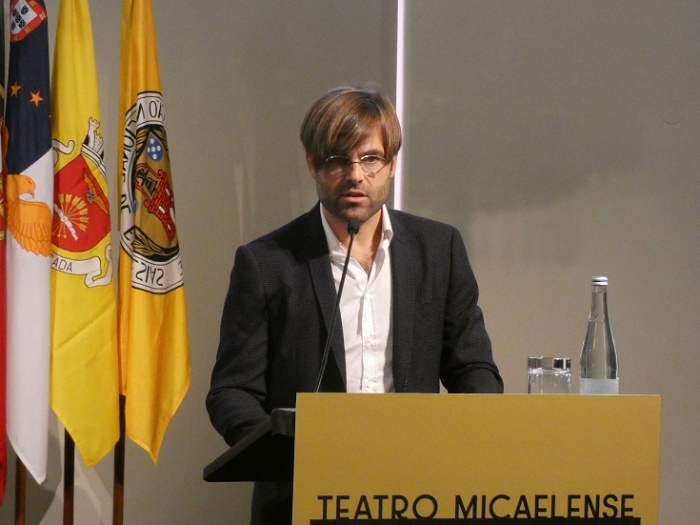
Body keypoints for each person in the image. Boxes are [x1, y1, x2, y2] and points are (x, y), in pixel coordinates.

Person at [207, 86, 503, 525]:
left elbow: (474, 369)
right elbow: (232, 392)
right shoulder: (267, 263)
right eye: (337, 160)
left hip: (416, 493)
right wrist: (288, 453)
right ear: (312, 164)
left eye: (370, 159)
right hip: (303, 496)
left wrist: (459, 446)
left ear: (392, 163)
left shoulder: (438, 250)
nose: (355, 175)